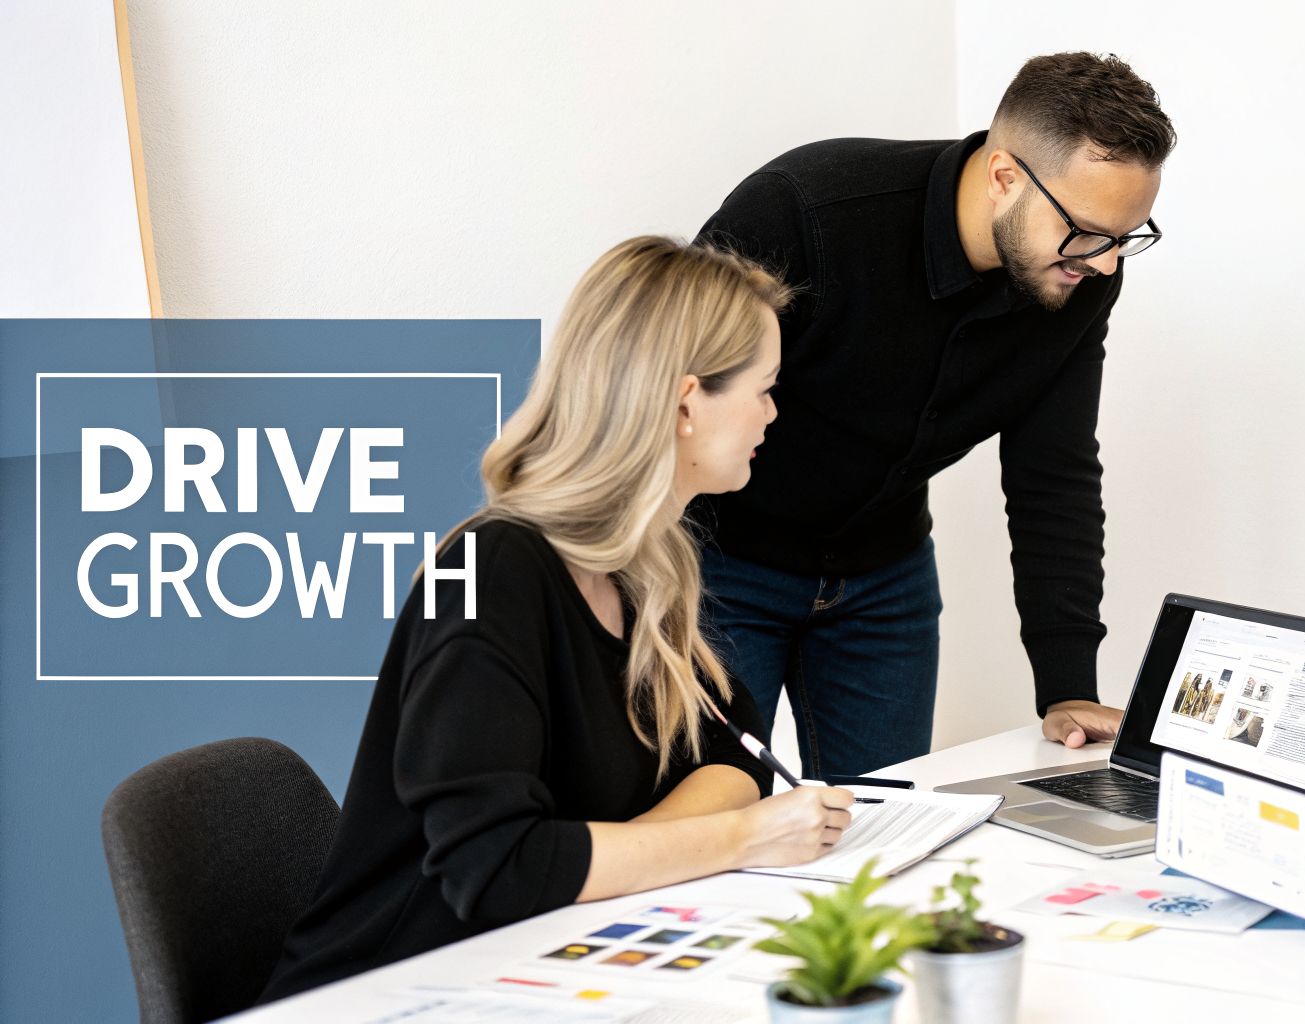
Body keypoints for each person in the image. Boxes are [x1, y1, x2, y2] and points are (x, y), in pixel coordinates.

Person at [259, 238, 855, 1002]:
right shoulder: (492, 573)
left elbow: (733, 752)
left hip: (542, 957)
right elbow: (498, 868)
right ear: (684, 402)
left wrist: (622, 856)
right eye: (765, 387)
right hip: (392, 989)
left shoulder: (639, 565)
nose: (774, 411)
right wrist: (736, 840)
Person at [693, 52, 1176, 776]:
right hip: (723, 569)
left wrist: (1068, 682)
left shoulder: (1078, 275)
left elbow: (1055, 471)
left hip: (885, 578)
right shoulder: (804, 213)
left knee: (885, 836)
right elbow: (672, 402)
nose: (1106, 264)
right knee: (708, 818)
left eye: (1125, 237)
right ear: (1004, 175)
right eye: (1086, 232)